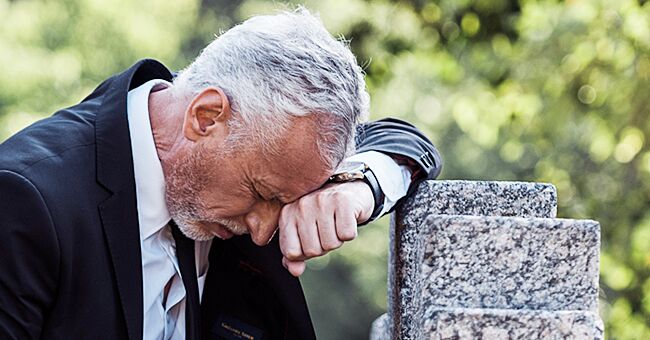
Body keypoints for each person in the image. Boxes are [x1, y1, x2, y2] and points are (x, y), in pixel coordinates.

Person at [0, 9, 441, 340]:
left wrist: (354, 188)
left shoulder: (270, 147)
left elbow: (404, 140)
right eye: (262, 193)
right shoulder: (26, 201)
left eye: (284, 203)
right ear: (206, 117)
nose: (267, 229)